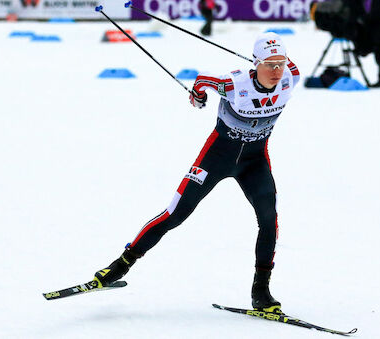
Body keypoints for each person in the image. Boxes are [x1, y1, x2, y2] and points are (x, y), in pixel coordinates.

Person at [93, 32, 300, 313]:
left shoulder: (292, 76)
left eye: (281, 63)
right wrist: (197, 96)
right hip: (217, 157)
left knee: (269, 218)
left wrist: (278, 62)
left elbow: (287, 66)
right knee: (176, 213)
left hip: (254, 161)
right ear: (256, 64)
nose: (277, 71)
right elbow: (202, 80)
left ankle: (261, 291)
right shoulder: (232, 85)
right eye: (269, 64)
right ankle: (119, 266)